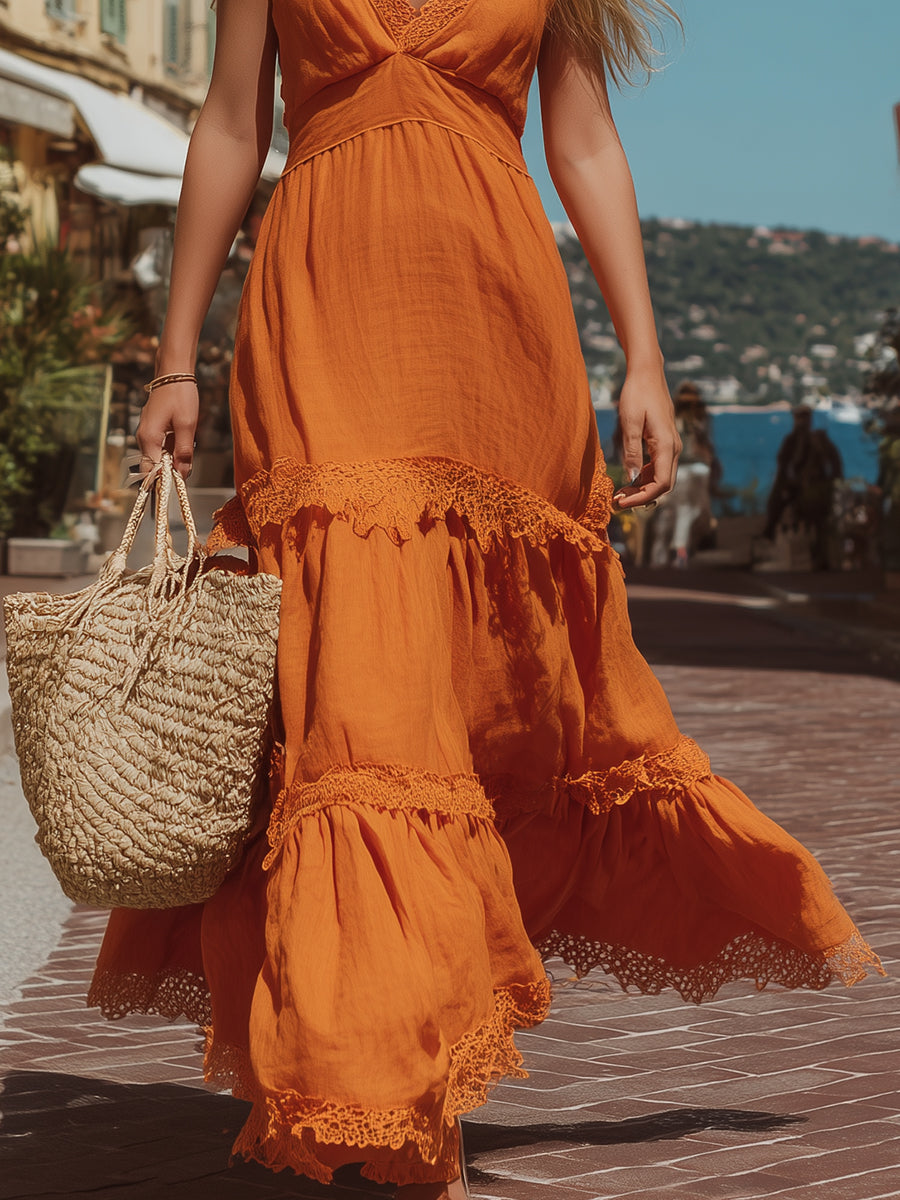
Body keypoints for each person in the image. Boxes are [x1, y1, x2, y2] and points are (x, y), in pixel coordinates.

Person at [86, 3, 883, 1198]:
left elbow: (586, 142)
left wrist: (646, 357)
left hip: (495, 329)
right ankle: (375, 1080)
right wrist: (176, 356)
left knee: (463, 694)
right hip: (322, 305)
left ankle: (398, 1059)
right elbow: (231, 125)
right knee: (356, 690)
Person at [762, 404, 843, 570]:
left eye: (804, 417)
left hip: (816, 489)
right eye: (799, 417)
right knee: (780, 502)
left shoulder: (818, 440)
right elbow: (783, 468)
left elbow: (835, 464)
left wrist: (831, 484)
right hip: (800, 488)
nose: (802, 421)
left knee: (819, 522)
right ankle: (770, 532)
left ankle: (820, 557)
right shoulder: (792, 441)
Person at [649, 381, 717, 567]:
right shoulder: (700, 419)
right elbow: (706, 447)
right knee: (689, 512)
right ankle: (679, 551)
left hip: (675, 470)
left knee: (669, 512)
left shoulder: (670, 419)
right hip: (696, 469)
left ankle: (660, 556)